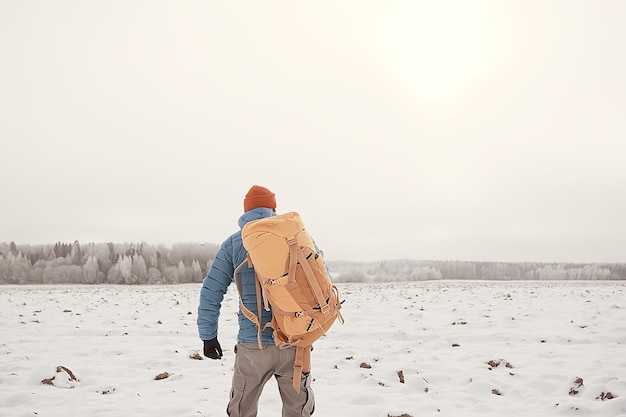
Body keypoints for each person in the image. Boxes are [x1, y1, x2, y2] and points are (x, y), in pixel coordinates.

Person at [197, 185, 315, 417]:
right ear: (273, 208)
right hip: (294, 341)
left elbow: (211, 292)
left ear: (246, 212)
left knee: (242, 409)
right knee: (298, 410)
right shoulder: (296, 236)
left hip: (253, 345)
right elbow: (320, 279)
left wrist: (208, 336)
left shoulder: (233, 244)